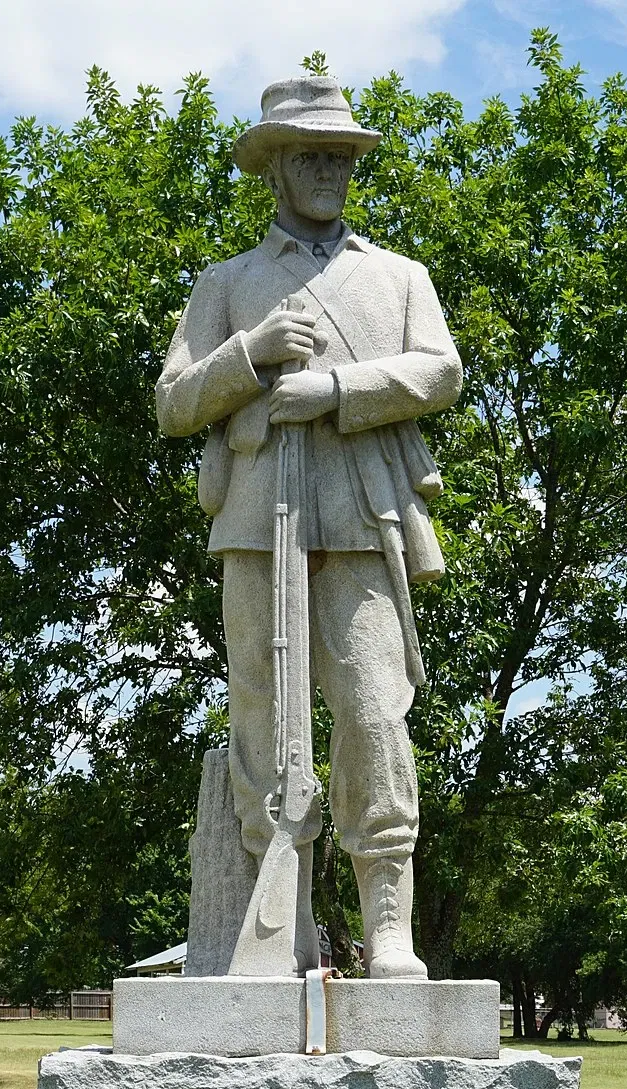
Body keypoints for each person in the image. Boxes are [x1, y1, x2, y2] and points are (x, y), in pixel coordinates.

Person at [156, 75, 462, 978]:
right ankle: (274, 917)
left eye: (340, 156)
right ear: (276, 167)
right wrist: (250, 356)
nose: (328, 170)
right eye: (310, 155)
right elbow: (174, 400)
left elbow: (440, 372)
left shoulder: (399, 276)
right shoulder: (229, 283)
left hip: (364, 516)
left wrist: (330, 389)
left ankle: (390, 925)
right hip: (256, 522)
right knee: (260, 714)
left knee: (374, 712)